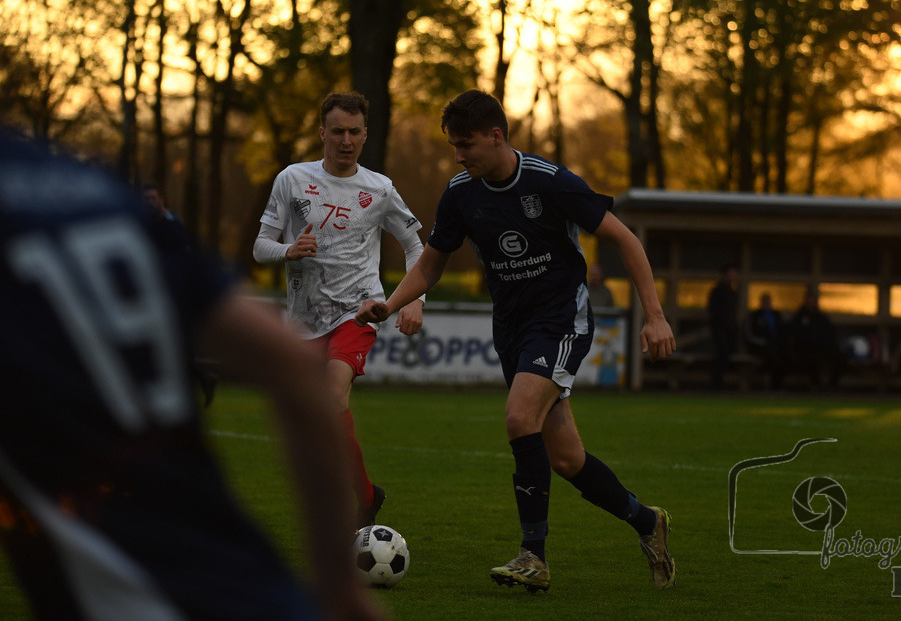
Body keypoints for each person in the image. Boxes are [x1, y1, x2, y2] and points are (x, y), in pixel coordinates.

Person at [0, 129, 379, 621]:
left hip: (135, 591)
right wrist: (339, 588)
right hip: (255, 581)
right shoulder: (93, 186)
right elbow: (285, 360)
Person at [355, 89, 677, 593]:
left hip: (561, 321)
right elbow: (432, 263)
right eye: (454, 147)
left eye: (467, 145)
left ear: (496, 135)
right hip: (511, 329)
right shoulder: (461, 192)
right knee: (567, 459)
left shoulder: (552, 183)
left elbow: (626, 239)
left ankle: (534, 556)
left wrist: (654, 316)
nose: (459, 156)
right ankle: (646, 522)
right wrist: (390, 305)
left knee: (517, 417)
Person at [253, 91, 425, 528]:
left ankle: (340, 508)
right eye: (337, 132)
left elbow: (415, 246)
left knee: (332, 397)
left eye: (354, 132)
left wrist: (414, 301)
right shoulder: (292, 179)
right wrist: (289, 251)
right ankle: (366, 497)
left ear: (365, 135)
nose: (345, 140)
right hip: (304, 319)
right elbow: (260, 247)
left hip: (359, 310)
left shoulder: (380, 189)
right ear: (322, 133)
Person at [786, 287, 845, 390]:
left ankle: (832, 385)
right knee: (810, 360)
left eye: (812, 299)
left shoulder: (821, 317)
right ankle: (817, 386)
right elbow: (793, 334)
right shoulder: (799, 317)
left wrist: (830, 343)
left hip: (823, 348)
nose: (810, 302)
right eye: (809, 299)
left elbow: (831, 333)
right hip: (805, 349)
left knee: (840, 358)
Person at [744, 292, 786, 389]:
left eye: (768, 302)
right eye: (764, 302)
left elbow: (782, 332)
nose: (767, 304)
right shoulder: (754, 316)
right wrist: (763, 342)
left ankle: (777, 385)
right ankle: (770, 386)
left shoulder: (776, 315)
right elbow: (749, 335)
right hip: (760, 348)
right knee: (771, 357)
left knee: (782, 357)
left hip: (776, 348)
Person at [707, 263, 739, 390]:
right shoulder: (717, 291)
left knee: (727, 355)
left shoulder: (733, 293)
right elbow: (713, 311)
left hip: (730, 329)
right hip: (720, 329)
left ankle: (723, 381)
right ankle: (716, 382)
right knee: (720, 354)